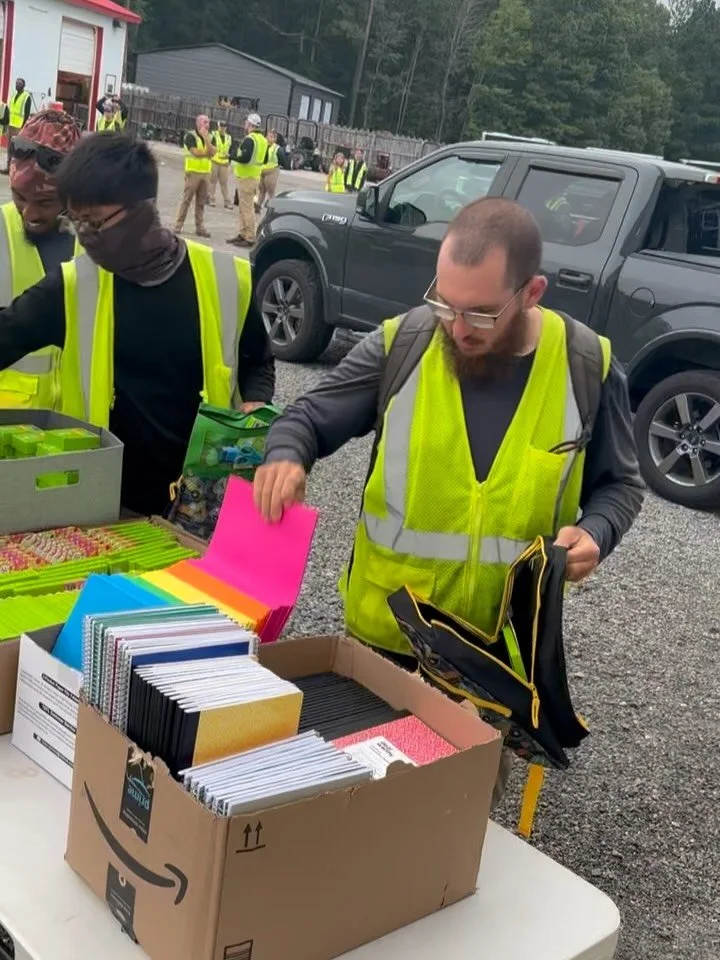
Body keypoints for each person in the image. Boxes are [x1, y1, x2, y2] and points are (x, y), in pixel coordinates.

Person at [254, 197, 644, 659]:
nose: (457, 329)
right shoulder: (402, 344)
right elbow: (307, 418)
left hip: (504, 654)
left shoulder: (587, 366)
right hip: (389, 642)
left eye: (481, 313)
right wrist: (286, 454)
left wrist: (597, 532)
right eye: (444, 303)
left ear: (532, 292)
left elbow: (619, 484)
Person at [0, 133, 275, 516]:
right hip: (104, 509)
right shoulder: (74, 287)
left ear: (144, 208)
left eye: (95, 224)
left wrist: (256, 402)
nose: (85, 239)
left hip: (201, 508)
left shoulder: (227, 280)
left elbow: (258, 360)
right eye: (76, 223)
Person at [0, 109, 82, 408]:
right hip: (8, 431)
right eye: (19, 197)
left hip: (77, 432)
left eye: (45, 202)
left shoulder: (97, 243)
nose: (29, 214)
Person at [227, 113, 268, 248]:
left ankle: (249, 236)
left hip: (246, 177)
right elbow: (265, 159)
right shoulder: (262, 140)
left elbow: (245, 158)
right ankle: (242, 233)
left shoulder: (250, 139)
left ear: (250, 124)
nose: (245, 125)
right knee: (244, 208)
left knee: (247, 208)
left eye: (246, 123)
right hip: (254, 176)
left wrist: (232, 156)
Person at [175, 113, 215, 238]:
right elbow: (196, 152)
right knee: (186, 200)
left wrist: (206, 140)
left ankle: (200, 227)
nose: (207, 125)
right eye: (204, 122)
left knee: (201, 202)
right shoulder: (190, 136)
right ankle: (178, 225)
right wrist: (207, 152)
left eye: (208, 122)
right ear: (198, 123)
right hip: (193, 172)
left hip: (205, 173)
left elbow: (213, 152)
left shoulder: (210, 136)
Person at [2, 79, 32, 175]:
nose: (17, 85)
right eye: (16, 83)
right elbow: (10, 111)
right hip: (11, 125)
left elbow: (26, 114)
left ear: (23, 86)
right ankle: (8, 167)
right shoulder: (13, 95)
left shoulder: (26, 97)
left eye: (19, 84)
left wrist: (23, 128)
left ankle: (16, 170)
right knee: (10, 148)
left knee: (17, 149)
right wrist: (6, 124)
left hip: (19, 127)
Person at [209, 120, 233, 209]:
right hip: (214, 161)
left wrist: (229, 158)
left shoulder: (229, 137)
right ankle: (211, 198)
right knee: (213, 181)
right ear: (218, 126)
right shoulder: (213, 135)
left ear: (226, 127)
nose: (222, 128)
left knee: (224, 183)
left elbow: (231, 149)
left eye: (223, 127)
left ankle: (227, 202)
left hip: (224, 162)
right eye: (220, 126)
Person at [256, 130, 281, 213]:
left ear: (274, 139)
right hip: (262, 170)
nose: (268, 138)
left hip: (272, 170)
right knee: (261, 190)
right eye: (267, 136)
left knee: (270, 191)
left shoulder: (277, 148)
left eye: (271, 137)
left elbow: (282, 160)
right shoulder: (263, 145)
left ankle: (272, 208)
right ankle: (258, 206)